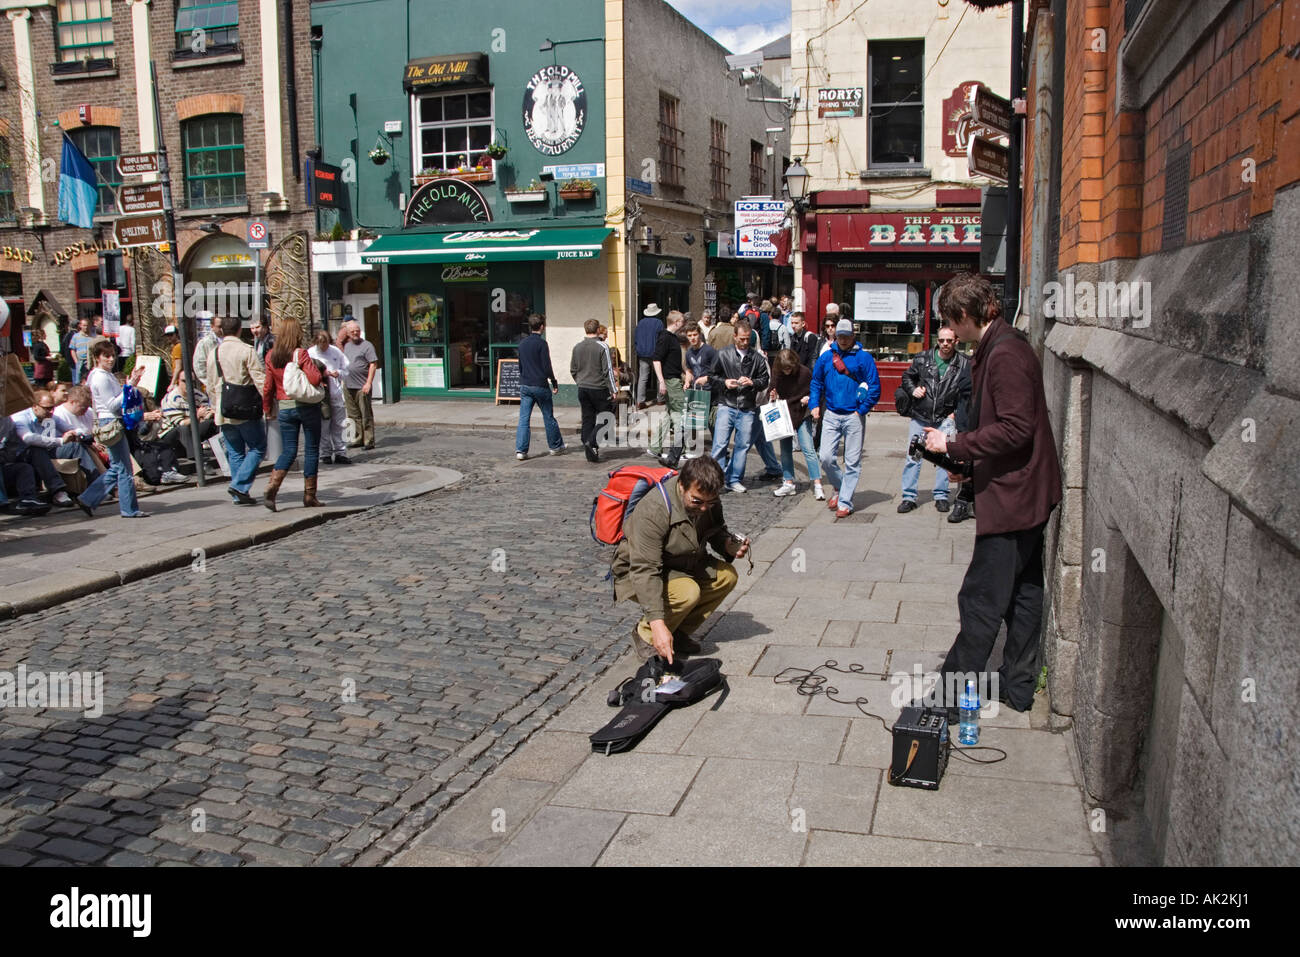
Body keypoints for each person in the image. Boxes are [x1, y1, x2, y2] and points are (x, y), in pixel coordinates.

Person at [922, 273, 1062, 715]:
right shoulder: (1001, 344)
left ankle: (945, 701)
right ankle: (1017, 687)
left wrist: (955, 446)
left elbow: (1016, 429)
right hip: (1019, 491)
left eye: (951, 321)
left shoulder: (1004, 353)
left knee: (981, 599)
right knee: (1022, 591)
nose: (950, 331)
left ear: (964, 315)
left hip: (1016, 498)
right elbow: (1005, 427)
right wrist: (968, 466)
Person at [612, 455, 749, 662]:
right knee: (687, 592)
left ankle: (678, 632)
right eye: (697, 501)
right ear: (682, 486)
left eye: (710, 502)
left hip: (685, 562)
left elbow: (716, 530)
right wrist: (657, 624)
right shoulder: (654, 510)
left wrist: (727, 546)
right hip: (639, 571)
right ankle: (645, 636)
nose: (704, 508)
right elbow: (645, 570)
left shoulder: (707, 496)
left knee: (726, 577)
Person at [809, 319, 880, 518]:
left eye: (846, 336)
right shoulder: (826, 357)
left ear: (853, 336)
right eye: (839, 336)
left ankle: (845, 501)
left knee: (852, 461)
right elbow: (816, 382)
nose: (842, 340)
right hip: (831, 413)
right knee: (825, 457)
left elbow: (874, 386)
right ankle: (841, 487)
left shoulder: (863, 358)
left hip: (854, 415)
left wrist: (862, 409)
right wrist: (814, 404)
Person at [898, 325, 970, 514]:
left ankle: (941, 495)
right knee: (914, 456)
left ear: (956, 341)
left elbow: (967, 392)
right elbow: (907, 377)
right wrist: (913, 389)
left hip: (947, 418)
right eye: (941, 340)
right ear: (936, 341)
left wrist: (956, 413)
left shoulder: (964, 363)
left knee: (947, 456)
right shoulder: (923, 358)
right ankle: (908, 496)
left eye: (949, 340)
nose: (945, 344)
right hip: (921, 416)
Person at [79, 339, 149, 518]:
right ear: (97, 357)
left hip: (109, 422)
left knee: (118, 466)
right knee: (124, 468)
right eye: (106, 356)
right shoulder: (101, 377)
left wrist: (130, 383)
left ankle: (88, 498)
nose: (110, 359)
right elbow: (112, 405)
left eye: (112, 356)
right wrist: (129, 386)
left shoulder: (101, 374)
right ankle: (129, 509)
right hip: (111, 422)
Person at [262, 317, 325, 511]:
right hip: (306, 406)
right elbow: (315, 378)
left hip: (285, 407)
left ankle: (272, 487)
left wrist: (267, 409)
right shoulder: (300, 353)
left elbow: (267, 387)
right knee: (311, 449)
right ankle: (309, 496)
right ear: (297, 333)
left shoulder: (271, 355)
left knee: (289, 450)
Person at [208, 314, 269, 505]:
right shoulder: (246, 350)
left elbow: (210, 384)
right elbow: (259, 380)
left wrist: (215, 405)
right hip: (245, 409)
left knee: (235, 452)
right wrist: (268, 404)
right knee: (258, 447)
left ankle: (238, 495)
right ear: (239, 330)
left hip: (223, 410)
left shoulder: (214, 352)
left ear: (222, 330)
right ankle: (240, 486)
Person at [708, 319, 769, 493]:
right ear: (734, 336)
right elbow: (711, 377)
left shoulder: (757, 358)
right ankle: (716, 480)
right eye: (742, 338)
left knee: (742, 446)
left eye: (747, 339)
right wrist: (725, 382)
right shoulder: (723, 354)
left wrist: (752, 382)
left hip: (747, 406)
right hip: (727, 404)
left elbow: (764, 380)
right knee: (720, 444)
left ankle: (734, 478)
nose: (744, 342)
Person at [9, 391, 85, 506]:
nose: (51, 411)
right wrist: (60, 441)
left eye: (52, 408)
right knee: (36, 449)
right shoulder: (20, 417)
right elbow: (28, 438)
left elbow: (75, 429)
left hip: (46, 451)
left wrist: (75, 433)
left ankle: (95, 487)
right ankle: (58, 491)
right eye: (47, 408)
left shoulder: (50, 416)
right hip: (21, 455)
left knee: (75, 446)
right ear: (35, 406)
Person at [768, 348, 824, 500]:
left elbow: (815, 391)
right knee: (785, 450)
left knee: (808, 448)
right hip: (785, 413)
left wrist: (809, 399)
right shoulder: (778, 373)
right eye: (784, 368)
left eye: (789, 368)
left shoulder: (804, 373)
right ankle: (788, 482)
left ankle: (817, 484)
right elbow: (771, 389)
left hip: (801, 412)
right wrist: (773, 395)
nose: (787, 371)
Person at [515, 313, 564, 460]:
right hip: (540, 385)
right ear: (542, 326)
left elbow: (520, 366)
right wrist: (554, 381)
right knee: (548, 416)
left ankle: (521, 450)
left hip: (525, 384)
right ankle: (555, 446)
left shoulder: (522, 343)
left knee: (524, 419)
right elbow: (546, 366)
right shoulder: (542, 344)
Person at [570, 318, 616, 463]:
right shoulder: (602, 346)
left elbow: (573, 370)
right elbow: (607, 370)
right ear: (597, 330)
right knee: (607, 417)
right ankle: (592, 442)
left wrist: (580, 382)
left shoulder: (577, 347)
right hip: (599, 388)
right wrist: (613, 389)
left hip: (583, 387)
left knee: (587, 417)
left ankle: (588, 445)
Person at [648, 310, 687, 465]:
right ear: (676, 322)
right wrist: (662, 382)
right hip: (671, 382)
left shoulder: (671, 337)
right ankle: (681, 450)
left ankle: (655, 446)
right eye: (682, 321)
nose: (683, 324)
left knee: (669, 415)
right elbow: (656, 360)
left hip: (672, 379)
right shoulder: (665, 337)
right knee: (680, 414)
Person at [309, 330, 351, 465]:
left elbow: (346, 369)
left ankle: (340, 452)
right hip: (321, 394)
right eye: (321, 344)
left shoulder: (335, 352)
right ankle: (325, 453)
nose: (324, 346)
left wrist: (337, 373)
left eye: (325, 343)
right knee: (324, 424)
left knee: (339, 424)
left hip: (336, 392)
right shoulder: (311, 353)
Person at [340, 320, 378, 451]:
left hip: (362, 385)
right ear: (348, 333)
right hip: (348, 384)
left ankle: (369, 440)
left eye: (357, 330)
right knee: (352, 414)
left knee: (365, 413)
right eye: (352, 331)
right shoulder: (347, 346)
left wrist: (368, 383)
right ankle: (357, 438)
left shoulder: (367, 346)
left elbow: (373, 364)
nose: (355, 333)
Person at [633, 303, 665, 409]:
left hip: (642, 353)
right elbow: (661, 339)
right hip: (656, 353)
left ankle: (640, 401)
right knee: (658, 376)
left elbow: (636, 338)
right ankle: (660, 399)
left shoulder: (640, 323)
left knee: (643, 377)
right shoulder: (659, 323)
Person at [69, 318, 93, 386]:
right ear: (80, 326)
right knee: (78, 381)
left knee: (89, 380)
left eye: (87, 325)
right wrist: (76, 361)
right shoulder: (76, 336)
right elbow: (72, 350)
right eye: (84, 325)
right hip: (80, 361)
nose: (86, 327)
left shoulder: (91, 337)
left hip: (89, 362)